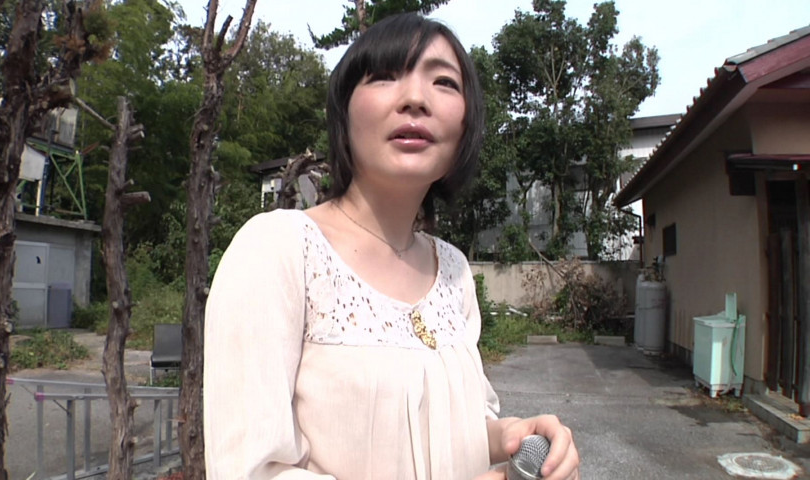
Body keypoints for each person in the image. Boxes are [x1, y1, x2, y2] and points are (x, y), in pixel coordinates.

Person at [204, 13, 580, 480]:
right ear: (344, 113)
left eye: (444, 82)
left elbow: (454, 425)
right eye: (384, 76)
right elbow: (248, 470)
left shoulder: (454, 270)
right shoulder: (277, 249)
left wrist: (512, 437)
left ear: (466, 125)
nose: (416, 98)